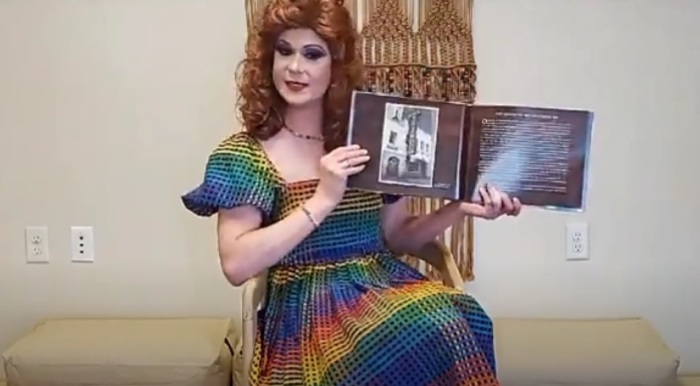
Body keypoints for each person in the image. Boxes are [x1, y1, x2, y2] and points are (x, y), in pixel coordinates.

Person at [181, 0, 522, 384]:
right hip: (307, 305)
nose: (295, 67)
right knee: (383, 349)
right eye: (284, 51)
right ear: (268, 60)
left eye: (313, 54)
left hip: (383, 286)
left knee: (459, 316)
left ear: (336, 67)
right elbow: (236, 265)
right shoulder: (243, 155)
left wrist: (461, 207)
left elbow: (396, 237)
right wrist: (323, 199)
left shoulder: (370, 141)